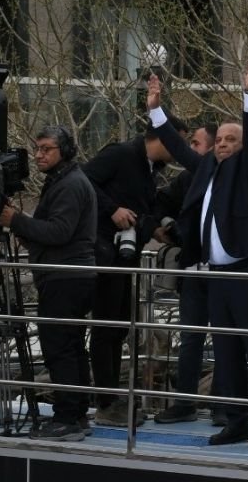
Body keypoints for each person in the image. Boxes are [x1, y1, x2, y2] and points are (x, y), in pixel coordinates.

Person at [147, 66, 248, 447]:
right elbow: (179, 148)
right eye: (218, 139)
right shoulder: (208, 168)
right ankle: (235, 419)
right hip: (216, 273)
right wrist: (156, 110)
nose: (221, 144)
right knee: (226, 350)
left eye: (229, 139)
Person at [0, 126, 96, 442]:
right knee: (71, 348)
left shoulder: (69, 185)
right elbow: (53, 233)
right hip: (69, 275)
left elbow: (59, 232)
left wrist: (15, 220)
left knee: (60, 349)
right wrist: (26, 230)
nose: (39, 154)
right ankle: (77, 413)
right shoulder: (65, 181)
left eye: (46, 149)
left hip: (65, 277)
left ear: (64, 151)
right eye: (37, 149)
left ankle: (67, 418)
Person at [82, 123, 176, 427]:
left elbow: (139, 211)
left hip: (125, 256)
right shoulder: (121, 154)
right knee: (105, 327)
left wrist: (156, 230)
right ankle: (105, 401)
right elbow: (83, 181)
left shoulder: (150, 170)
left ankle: (111, 397)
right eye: (176, 140)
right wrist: (112, 210)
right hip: (104, 254)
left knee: (119, 325)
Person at [152, 124, 224, 425]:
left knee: (226, 340)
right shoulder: (185, 178)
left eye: (196, 143)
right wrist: (167, 228)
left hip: (225, 273)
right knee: (190, 338)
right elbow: (156, 201)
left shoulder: (231, 176)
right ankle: (184, 402)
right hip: (193, 270)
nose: (191, 148)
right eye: (190, 143)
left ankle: (225, 404)